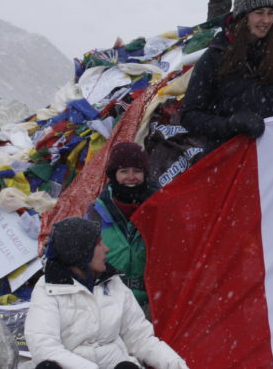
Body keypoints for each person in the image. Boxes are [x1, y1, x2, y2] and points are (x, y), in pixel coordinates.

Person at [25, 217, 188, 369]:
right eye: (98, 244)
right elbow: (44, 348)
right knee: (48, 366)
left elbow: (141, 339)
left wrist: (178, 366)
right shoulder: (48, 289)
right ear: (81, 253)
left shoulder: (113, 283)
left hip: (114, 364)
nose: (107, 249)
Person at [181, 0, 273, 151]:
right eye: (259, 12)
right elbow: (189, 115)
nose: (266, 20)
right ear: (243, 17)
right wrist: (230, 124)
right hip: (227, 154)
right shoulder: (216, 55)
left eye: (270, 13)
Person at [85, 142, 157, 309]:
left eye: (137, 171)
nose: (131, 177)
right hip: (109, 303)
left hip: (152, 304)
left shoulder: (159, 209)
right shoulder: (96, 214)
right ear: (113, 174)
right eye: (124, 171)